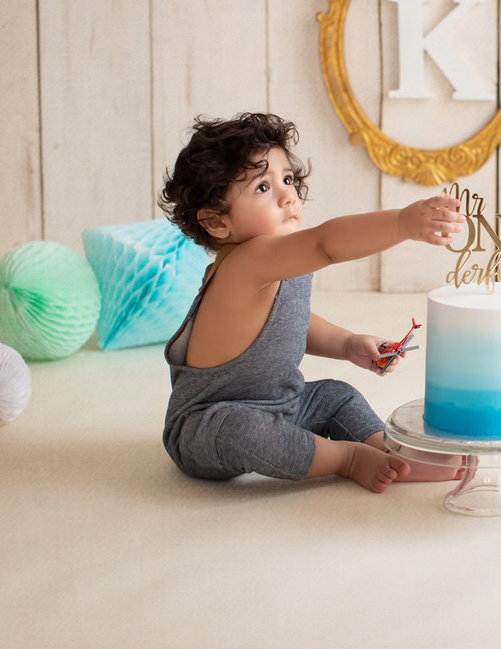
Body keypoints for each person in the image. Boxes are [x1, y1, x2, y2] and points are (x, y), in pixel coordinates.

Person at [157, 111, 467, 493]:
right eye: (262, 188)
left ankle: (386, 449)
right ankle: (347, 458)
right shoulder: (245, 263)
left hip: (281, 405)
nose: (288, 195)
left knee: (336, 395)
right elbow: (325, 243)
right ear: (217, 223)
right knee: (245, 430)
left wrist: (347, 343)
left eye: (286, 179)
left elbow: (289, 322)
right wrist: (402, 223)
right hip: (208, 429)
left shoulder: (275, 263)